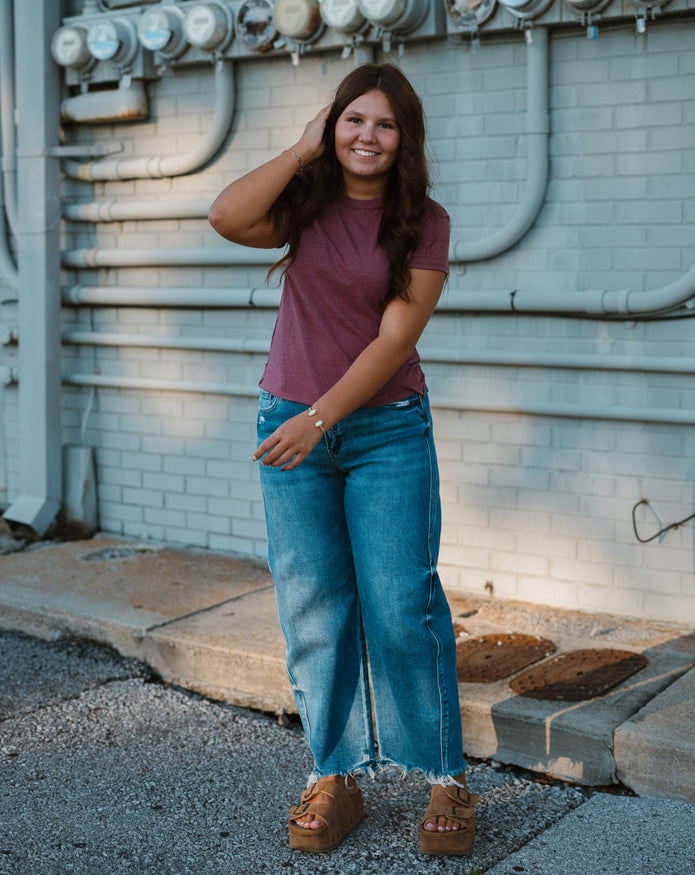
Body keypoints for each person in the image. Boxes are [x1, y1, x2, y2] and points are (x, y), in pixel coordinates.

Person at [209, 62, 477, 856]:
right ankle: (337, 773)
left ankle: (446, 778)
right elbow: (224, 216)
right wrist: (299, 150)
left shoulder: (425, 221)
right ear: (334, 127)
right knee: (314, 609)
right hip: (289, 420)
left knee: (402, 605)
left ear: (405, 139)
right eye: (353, 119)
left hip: (383, 427)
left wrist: (323, 417)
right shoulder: (308, 202)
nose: (368, 135)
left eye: (385, 124)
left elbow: (396, 339)